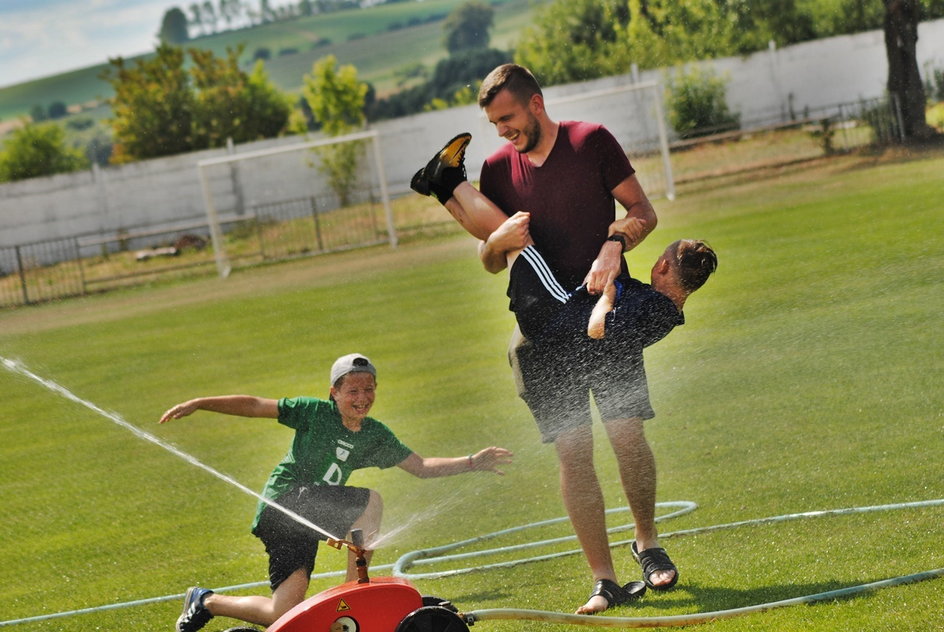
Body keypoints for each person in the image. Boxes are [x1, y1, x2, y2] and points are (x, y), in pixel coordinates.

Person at [411, 62, 687, 615]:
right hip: (544, 328)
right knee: (573, 453)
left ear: (536, 104)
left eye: (508, 118)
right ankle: (603, 579)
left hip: (609, 314)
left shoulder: (591, 142)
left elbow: (644, 212)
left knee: (627, 436)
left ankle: (648, 544)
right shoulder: (495, 168)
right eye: (494, 123)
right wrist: (495, 241)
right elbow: (494, 260)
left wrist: (614, 243)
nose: (502, 132)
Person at [159, 353, 513, 632]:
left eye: (369, 388)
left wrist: (472, 461)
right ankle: (354, 589)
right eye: (353, 390)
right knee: (371, 500)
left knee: (283, 614)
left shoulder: (373, 434)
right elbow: (254, 405)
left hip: (302, 520)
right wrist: (202, 402)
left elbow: (420, 467)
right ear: (335, 392)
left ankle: (206, 601)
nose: (362, 397)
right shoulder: (313, 412)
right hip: (283, 504)